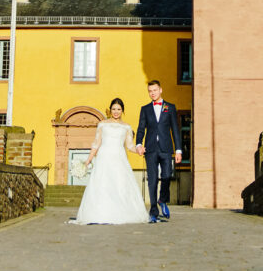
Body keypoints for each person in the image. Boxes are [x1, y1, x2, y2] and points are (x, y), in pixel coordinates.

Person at [73, 98, 149, 225]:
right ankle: (99, 213)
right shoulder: (102, 124)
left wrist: (139, 150)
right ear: (110, 110)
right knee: (102, 184)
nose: (116, 112)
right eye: (114, 109)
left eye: (119, 109)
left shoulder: (126, 127)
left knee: (120, 184)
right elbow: (96, 143)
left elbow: (130, 146)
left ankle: (121, 213)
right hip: (104, 158)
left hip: (119, 158)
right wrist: (88, 160)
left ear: (122, 111)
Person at [136, 80, 182, 223]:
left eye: (155, 90)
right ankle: (153, 211)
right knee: (153, 181)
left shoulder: (170, 107)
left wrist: (178, 150)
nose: (152, 93)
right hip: (150, 149)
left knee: (167, 175)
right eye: (150, 91)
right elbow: (141, 128)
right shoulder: (145, 109)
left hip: (166, 149)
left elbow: (175, 130)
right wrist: (138, 144)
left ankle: (163, 199)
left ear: (160, 90)